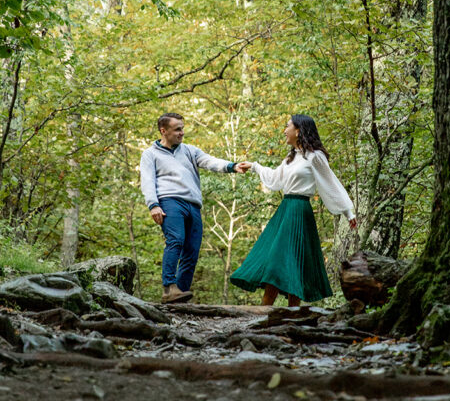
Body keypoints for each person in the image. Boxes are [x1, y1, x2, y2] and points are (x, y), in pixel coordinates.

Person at [230, 114, 357, 306]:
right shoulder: (291, 158)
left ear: (298, 131)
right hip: (285, 211)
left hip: (300, 210)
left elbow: (331, 183)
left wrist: (349, 212)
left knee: (294, 261)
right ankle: (266, 311)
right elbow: (275, 179)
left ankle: (291, 313)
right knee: (275, 259)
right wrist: (255, 166)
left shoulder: (315, 156)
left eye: (287, 126)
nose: (284, 130)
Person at [140, 112, 248, 303]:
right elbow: (147, 181)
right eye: (177, 129)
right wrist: (153, 205)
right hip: (169, 201)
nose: (182, 133)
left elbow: (210, 161)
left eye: (182, 128)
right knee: (176, 240)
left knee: (192, 249)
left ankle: (179, 293)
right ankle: (168, 288)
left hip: (193, 205)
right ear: (163, 131)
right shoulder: (150, 154)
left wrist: (232, 166)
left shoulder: (189, 151)